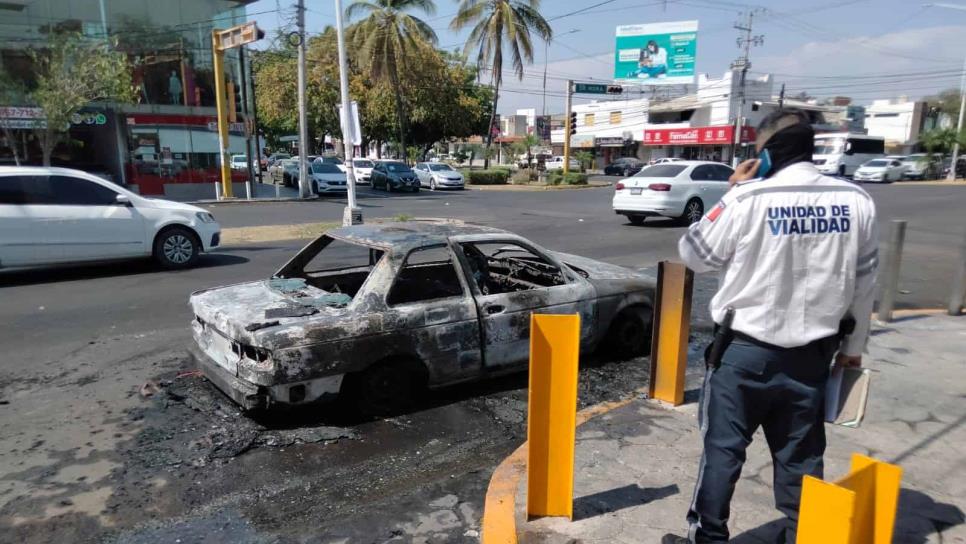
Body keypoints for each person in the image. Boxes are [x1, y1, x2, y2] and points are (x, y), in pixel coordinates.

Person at [662, 110, 879, 544]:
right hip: (813, 357)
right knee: (802, 458)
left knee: (722, 454)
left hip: (742, 355)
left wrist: (731, 192)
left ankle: (708, 537)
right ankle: (808, 535)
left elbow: (694, 253)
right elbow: (864, 284)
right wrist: (853, 349)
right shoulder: (856, 201)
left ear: (763, 153)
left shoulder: (747, 199)